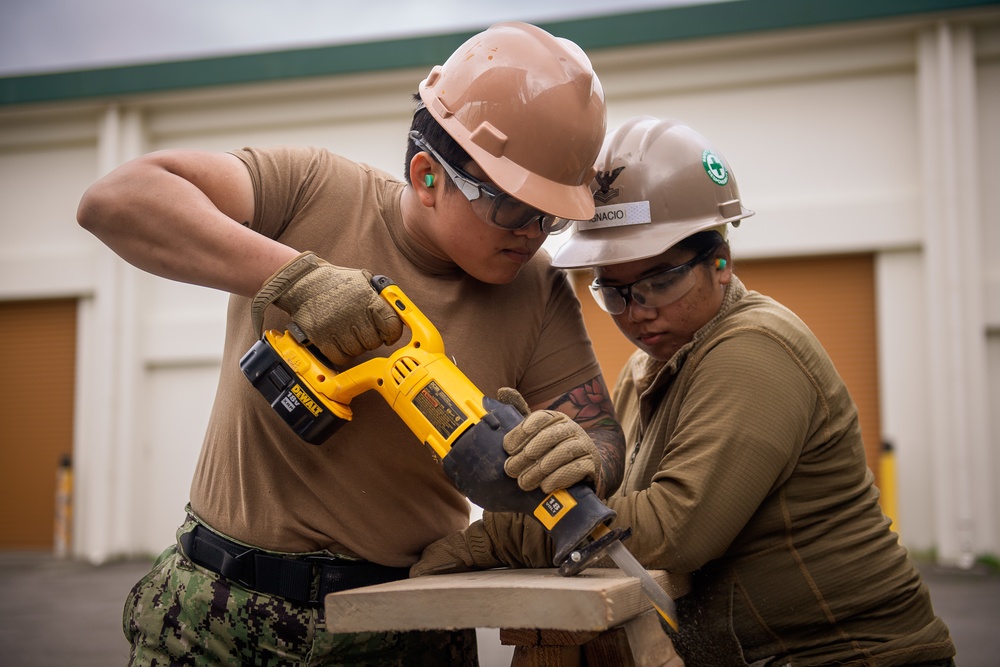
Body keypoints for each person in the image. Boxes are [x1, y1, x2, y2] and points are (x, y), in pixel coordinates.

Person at [76, 22, 626, 666]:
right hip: (217, 618)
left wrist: (581, 453)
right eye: (513, 208)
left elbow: (604, 440)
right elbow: (114, 201)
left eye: (552, 215)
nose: (534, 233)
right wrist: (295, 278)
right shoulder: (312, 190)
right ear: (427, 175)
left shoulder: (538, 294)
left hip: (405, 629)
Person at [412, 116, 957, 667]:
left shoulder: (757, 349)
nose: (638, 311)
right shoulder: (642, 371)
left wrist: (500, 537)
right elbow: (609, 497)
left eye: (659, 281)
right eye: (614, 291)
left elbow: (675, 528)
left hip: (857, 655)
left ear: (720, 263)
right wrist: (539, 475)